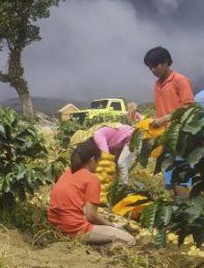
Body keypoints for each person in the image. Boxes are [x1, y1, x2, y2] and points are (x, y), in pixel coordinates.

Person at [48, 139, 135, 245]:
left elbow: (81, 208)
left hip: (56, 226)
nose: (98, 165)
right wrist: (111, 225)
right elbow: (91, 216)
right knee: (130, 239)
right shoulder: (91, 179)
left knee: (109, 235)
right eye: (98, 161)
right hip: (74, 229)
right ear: (93, 159)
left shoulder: (67, 173)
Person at [143, 46, 194, 198]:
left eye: (155, 65)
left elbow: (188, 107)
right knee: (171, 178)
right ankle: (179, 210)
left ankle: (185, 212)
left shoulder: (180, 80)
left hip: (180, 136)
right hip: (165, 137)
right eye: (150, 67)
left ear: (166, 62)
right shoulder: (157, 84)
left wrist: (164, 119)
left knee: (181, 178)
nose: (152, 70)